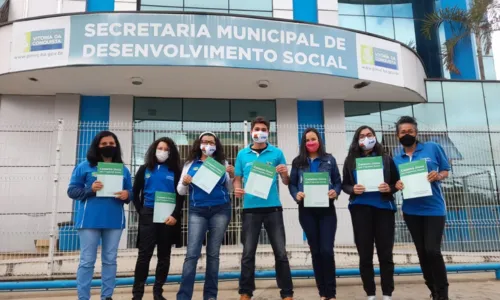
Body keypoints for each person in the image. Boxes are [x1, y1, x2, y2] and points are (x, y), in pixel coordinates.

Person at [67, 131, 132, 300]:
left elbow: (130, 191)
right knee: (87, 261)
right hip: (89, 220)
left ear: (116, 146)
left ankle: (107, 296)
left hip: (114, 220)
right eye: (104, 144)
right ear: (97, 146)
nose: (108, 146)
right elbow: (72, 191)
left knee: (110, 260)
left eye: (111, 143)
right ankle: (83, 297)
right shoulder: (84, 166)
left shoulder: (123, 169)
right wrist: (90, 190)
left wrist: (127, 195)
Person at [234, 116, 294, 300]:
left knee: (281, 253)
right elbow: (237, 177)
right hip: (250, 209)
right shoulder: (242, 154)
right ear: (252, 131)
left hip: (273, 208)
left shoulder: (277, 153)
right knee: (248, 253)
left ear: (268, 132)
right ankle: (245, 292)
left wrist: (285, 173)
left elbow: (286, 181)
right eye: (257, 129)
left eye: (263, 129)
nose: (259, 132)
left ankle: (287, 293)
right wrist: (236, 188)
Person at [392, 116, 450, 300]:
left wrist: (438, 175)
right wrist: (397, 184)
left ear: (416, 133)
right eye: (403, 132)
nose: (407, 134)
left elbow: (446, 170)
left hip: (434, 209)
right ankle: (433, 290)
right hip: (411, 211)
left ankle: (443, 294)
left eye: (410, 131)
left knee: (433, 250)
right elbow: (394, 182)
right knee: (422, 253)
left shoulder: (432, 148)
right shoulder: (396, 159)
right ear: (397, 136)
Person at [342, 126, 400, 300]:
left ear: (375, 137)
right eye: (362, 136)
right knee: (365, 254)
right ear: (357, 140)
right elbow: (345, 185)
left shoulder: (386, 159)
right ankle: (370, 293)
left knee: (385, 253)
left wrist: (388, 187)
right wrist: (353, 188)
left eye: (369, 135)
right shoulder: (351, 160)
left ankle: (387, 293)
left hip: (384, 209)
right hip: (360, 210)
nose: (366, 138)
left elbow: (397, 183)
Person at [176, 132, 234, 300]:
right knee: (192, 254)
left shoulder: (222, 163)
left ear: (216, 145)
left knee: (213, 255)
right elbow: (180, 190)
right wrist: (185, 182)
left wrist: (231, 175)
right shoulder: (190, 164)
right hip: (198, 211)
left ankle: (210, 296)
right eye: (205, 141)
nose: (208, 144)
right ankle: (184, 296)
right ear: (199, 144)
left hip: (220, 210)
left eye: (211, 141)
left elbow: (229, 189)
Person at [288, 128, 342, 300]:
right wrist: (296, 194)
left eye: (313, 138)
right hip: (306, 211)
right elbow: (292, 184)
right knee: (316, 251)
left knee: (327, 250)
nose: (310, 142)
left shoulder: (329, 159)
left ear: (319, 140)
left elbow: (338, 182)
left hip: (327, 210)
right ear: (303, 143)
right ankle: (322, 293)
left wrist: (335, 191)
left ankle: (331, 293)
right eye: (307, 140)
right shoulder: (298, 162)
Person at [131, 137, 184, 300]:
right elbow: (135, 192)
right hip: (148, 214)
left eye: (166, 149)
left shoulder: (176, 171)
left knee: (164, 255)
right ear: (154, 150)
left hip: (167, 217)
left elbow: (180, 196)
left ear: (171, 152)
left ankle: (158, 292)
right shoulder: (145, 169)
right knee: (144, 255)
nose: (162, 151)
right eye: (159, 148)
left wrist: (175, 215)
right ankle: (137, 294)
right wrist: (141, 211)